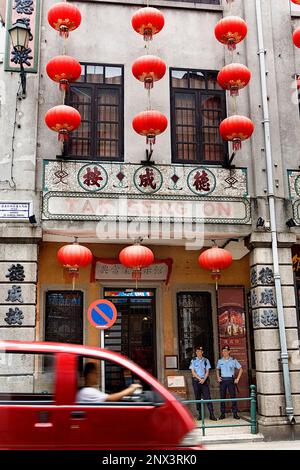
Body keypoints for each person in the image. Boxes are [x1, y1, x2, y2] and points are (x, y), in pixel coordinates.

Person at [76, 362, 142, 403]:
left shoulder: (88, 390)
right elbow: (112, 398)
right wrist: (130, 389)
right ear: (89, 375)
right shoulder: (87, 392)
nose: (98, 376)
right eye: (95, 373)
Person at [189, 346, 217, 421]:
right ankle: (200, 415)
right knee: (197, 398)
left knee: (208, 397)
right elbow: (193, 372)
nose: (198, 353)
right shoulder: (193, 360)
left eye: (200, 351)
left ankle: (212, 414)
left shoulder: (206, 360)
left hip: (204, 381)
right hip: (196, 381)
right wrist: (199, 379)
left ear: (202, 352)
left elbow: (207, 371)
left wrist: (204, 379)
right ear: (196, 352)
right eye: (197, 351)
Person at [216, 346, 243, 420]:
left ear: (229, 351)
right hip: (223, 380)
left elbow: (241, 369)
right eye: (223, 351)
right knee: (222, 397)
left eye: (225, 351)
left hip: (231, 380)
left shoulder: (233, 360)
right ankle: (222, 413)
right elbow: (217, 369)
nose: (224, 352)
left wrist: (237, 378)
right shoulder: (220, 361)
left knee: (233, 397)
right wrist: (218, 377)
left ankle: (235, 413)